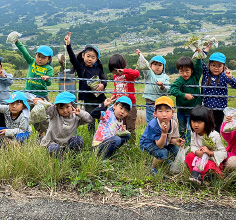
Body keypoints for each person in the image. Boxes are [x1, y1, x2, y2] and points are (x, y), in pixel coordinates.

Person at [64, 32, 107, 134]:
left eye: (93, 57)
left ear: (96, 59)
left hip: (100, 98)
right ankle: (92, 137)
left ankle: (103, 135)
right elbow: (73, 59)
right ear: (83, 55)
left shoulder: (98, 69)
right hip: (88, 98)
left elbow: (104, 79)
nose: (90, 59)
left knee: (103, 118)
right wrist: (68, 45)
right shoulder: (81, 68)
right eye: (88, 56)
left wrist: (103, 85)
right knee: (90, 119)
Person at [14, 36, 54, 136]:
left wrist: (47, 79)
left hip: (41, 96)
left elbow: (50, 83)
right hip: (28, 95)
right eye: (38, 56)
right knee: (30, 115)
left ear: (49, 59)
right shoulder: (32, 62)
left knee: (43, 117)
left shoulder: (49, 69)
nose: (40, 59)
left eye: (43, 57)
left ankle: (43, 135)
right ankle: (31, 133)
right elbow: (25, 52)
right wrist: (17, 42)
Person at [140, 96, 185, 174]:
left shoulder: (173, 123)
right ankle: (153, 167)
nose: (164, 114)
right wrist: (164, 133)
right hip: (149, 143)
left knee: (177, 152)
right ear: (155, 113)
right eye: (160, 111)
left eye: (167, 111)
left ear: (172, 113)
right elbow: (159, 145)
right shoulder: (154, 125)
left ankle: (167, 162)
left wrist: (176, 142)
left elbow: (171, 139)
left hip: (164, 142)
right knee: (162, 152)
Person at [185, 105, 227, 184]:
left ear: (207, 122)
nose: (196, 125)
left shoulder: (214, 135)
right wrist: (197, 152)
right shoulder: (194, 132)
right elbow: (193, 145)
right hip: (199, 158)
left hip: (211, 160)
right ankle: (198, 175)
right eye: (193, 121)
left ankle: (208, 177)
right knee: (189, 156)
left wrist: (210, 153)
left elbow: (224, 153)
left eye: (199, 122)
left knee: (208, 165)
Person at [201, 43, 236, 133]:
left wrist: (231, 78)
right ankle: (206, 144)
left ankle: (215, 145)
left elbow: (235, 85)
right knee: (207, 128)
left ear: (224, 66)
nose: (216, 68)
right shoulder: (206, 74)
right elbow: (200, 60)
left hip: (220, 108)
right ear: (209, 65)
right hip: (207, 107)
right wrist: (207, 49)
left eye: (219, 66)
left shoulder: (224, 76)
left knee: (217, 129)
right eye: (213, 65)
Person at [170, 55, 202, 143]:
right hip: (181, 110)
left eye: (187, 71)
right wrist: (184, 95)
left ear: (192, 70)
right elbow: (172, 90)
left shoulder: (195, 78)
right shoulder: (180, 80)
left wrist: (198, 56)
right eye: (181, 71)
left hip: (193, 110)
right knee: (182, 128)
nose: (184, 74)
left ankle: (189, 143)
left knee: (190, 129)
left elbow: (199, 67)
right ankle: (182, 142)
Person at [108, 54, 139, 141]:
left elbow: (136, 73)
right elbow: (116, 87)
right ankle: (123, 143)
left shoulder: (128, 74)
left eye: (116, 71)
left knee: (130, 126)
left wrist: (125, 71)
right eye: (113, 71)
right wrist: (114, 95)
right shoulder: (115, 77)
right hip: (119, 104)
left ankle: (132, 144)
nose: (115, 73)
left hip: (130, 104)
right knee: (120, 125)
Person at [136, 49, 170, 123]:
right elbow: (146, 66)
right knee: (151, 122)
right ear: (151, 66)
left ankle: (162, 133)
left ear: (163, 67)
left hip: (162, 104)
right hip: (150, 102)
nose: (157, 67)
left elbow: (168, 89)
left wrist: (162, 86)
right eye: (155, 64)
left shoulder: (165, 77)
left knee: (162, 121)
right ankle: (151, 134)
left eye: (160, 65)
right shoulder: (149, 74)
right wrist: (141, 56)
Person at [0, 56, 13, 127]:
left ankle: (4, 135)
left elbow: (10, 82)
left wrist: (3, 76)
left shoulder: (5, 73)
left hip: (5, 103)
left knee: (5, 120)